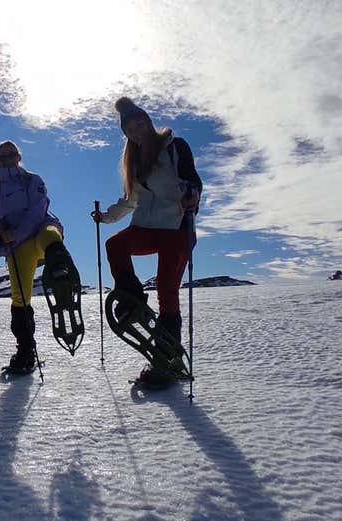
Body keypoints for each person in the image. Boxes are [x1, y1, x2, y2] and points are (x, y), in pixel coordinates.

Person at [92, 97, 202, 385]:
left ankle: (167, 358)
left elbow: (193, 180)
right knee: (115, 245)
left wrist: (193, 196)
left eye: (139, 124)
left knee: (167, 288)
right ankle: (133, 298)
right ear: (126, 133)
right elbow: (130, 202)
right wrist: (105, 218)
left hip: (177, 228)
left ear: (148, 122)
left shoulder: (175, 147)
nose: (136, 131)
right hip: (148, 227)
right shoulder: (135, 162)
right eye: (129, 128)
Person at [0, 140, 76, 371]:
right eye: (3, 156)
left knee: (51, 235)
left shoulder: (32, 180)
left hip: (35, 233)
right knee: (20, 299)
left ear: (18, 156)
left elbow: (38, 212)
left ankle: (60, 271)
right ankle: (25, 350)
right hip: (17, 247)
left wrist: (14, 233)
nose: (8, 158)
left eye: (11, 154)